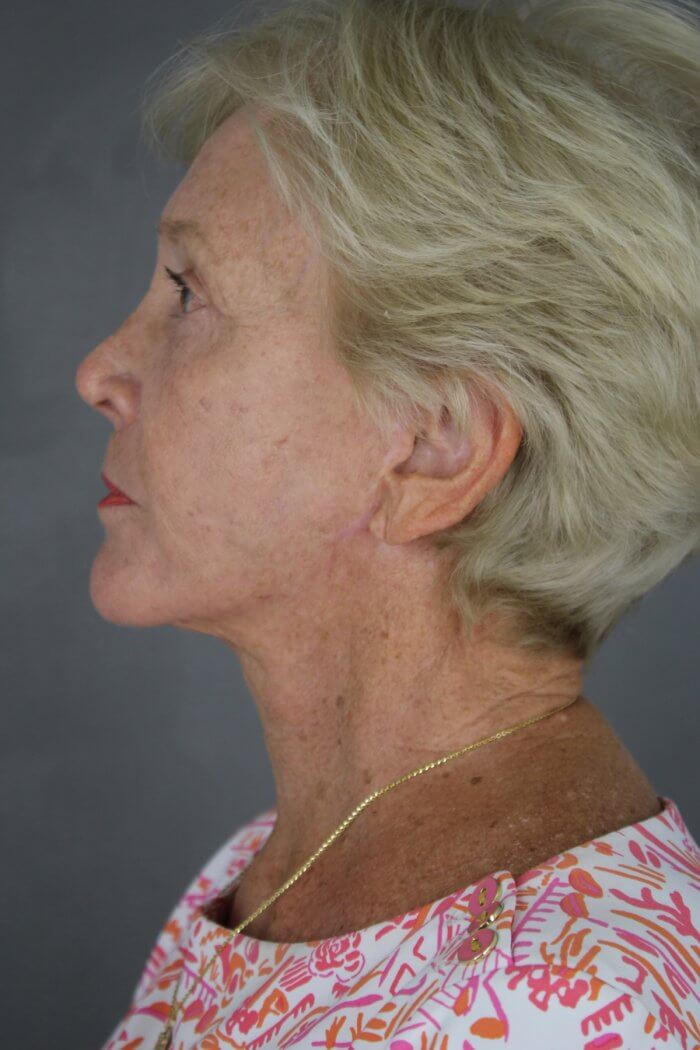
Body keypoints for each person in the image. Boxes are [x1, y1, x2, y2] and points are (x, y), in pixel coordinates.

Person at [74, 0, 700, 1046]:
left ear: (436, 446)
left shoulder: (556, 1009)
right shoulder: (272, 867)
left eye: (188, 293)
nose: (99, 371)